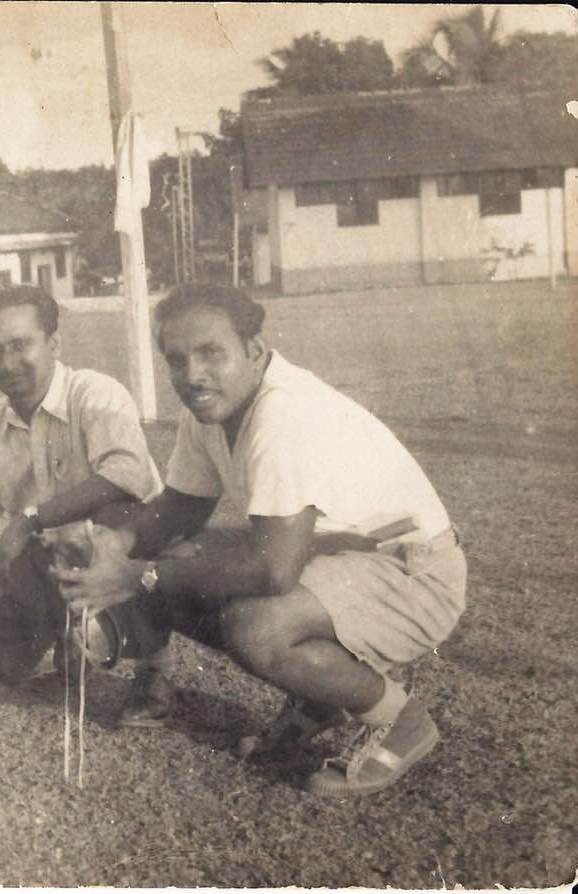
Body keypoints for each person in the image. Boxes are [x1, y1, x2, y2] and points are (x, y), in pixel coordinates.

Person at [53, 284, 467, 796]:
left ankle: (400, 719)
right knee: (170, 552)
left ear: (254, 350)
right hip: (342, 557)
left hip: (414, 572)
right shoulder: (211, 408)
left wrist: (139, 574)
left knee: (256, 626)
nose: (193, 375)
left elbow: (274, 570)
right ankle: (318, 696)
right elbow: (181, 508)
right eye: (177, 360)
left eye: (211, 353)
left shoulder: (283, 413)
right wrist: (114, 543)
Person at [0, 285, 165, 697]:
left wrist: (29, 520)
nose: (8, 363)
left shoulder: (94, 393)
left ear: (53, 342)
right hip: (49, 562)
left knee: (105, 526)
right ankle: (52, 647)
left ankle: (153, 669)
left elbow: (129, 474)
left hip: (127, 558)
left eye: (21, 345)